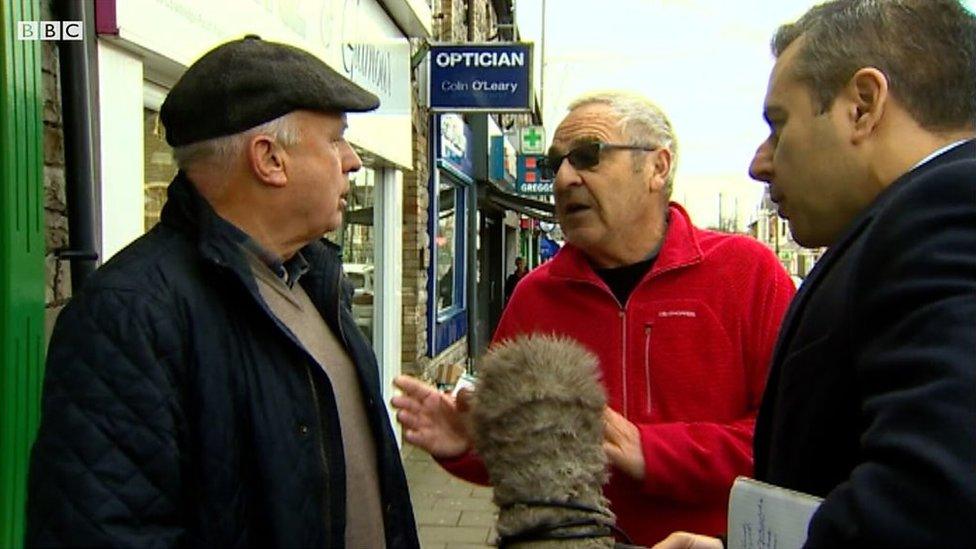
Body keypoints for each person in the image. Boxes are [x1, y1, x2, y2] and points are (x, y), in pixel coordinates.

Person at [26, 36, 419, 548]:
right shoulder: (128, 315)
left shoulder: (316, 283)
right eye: (335, 139)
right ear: (270, 159)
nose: (353, 162)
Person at [393, 91, 796, 546]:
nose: (564, 178)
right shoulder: (535, 296)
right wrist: (472, 442)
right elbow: (529, 460)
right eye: (556, 164)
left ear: (657, 168)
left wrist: (653, 452)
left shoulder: (747, 273)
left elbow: (792, 439)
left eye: (588, 156)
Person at [655, 1, 976, 547]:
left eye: (779, 125)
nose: (760, 161)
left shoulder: (946, 212)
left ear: (862, 106)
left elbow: (932, 502)